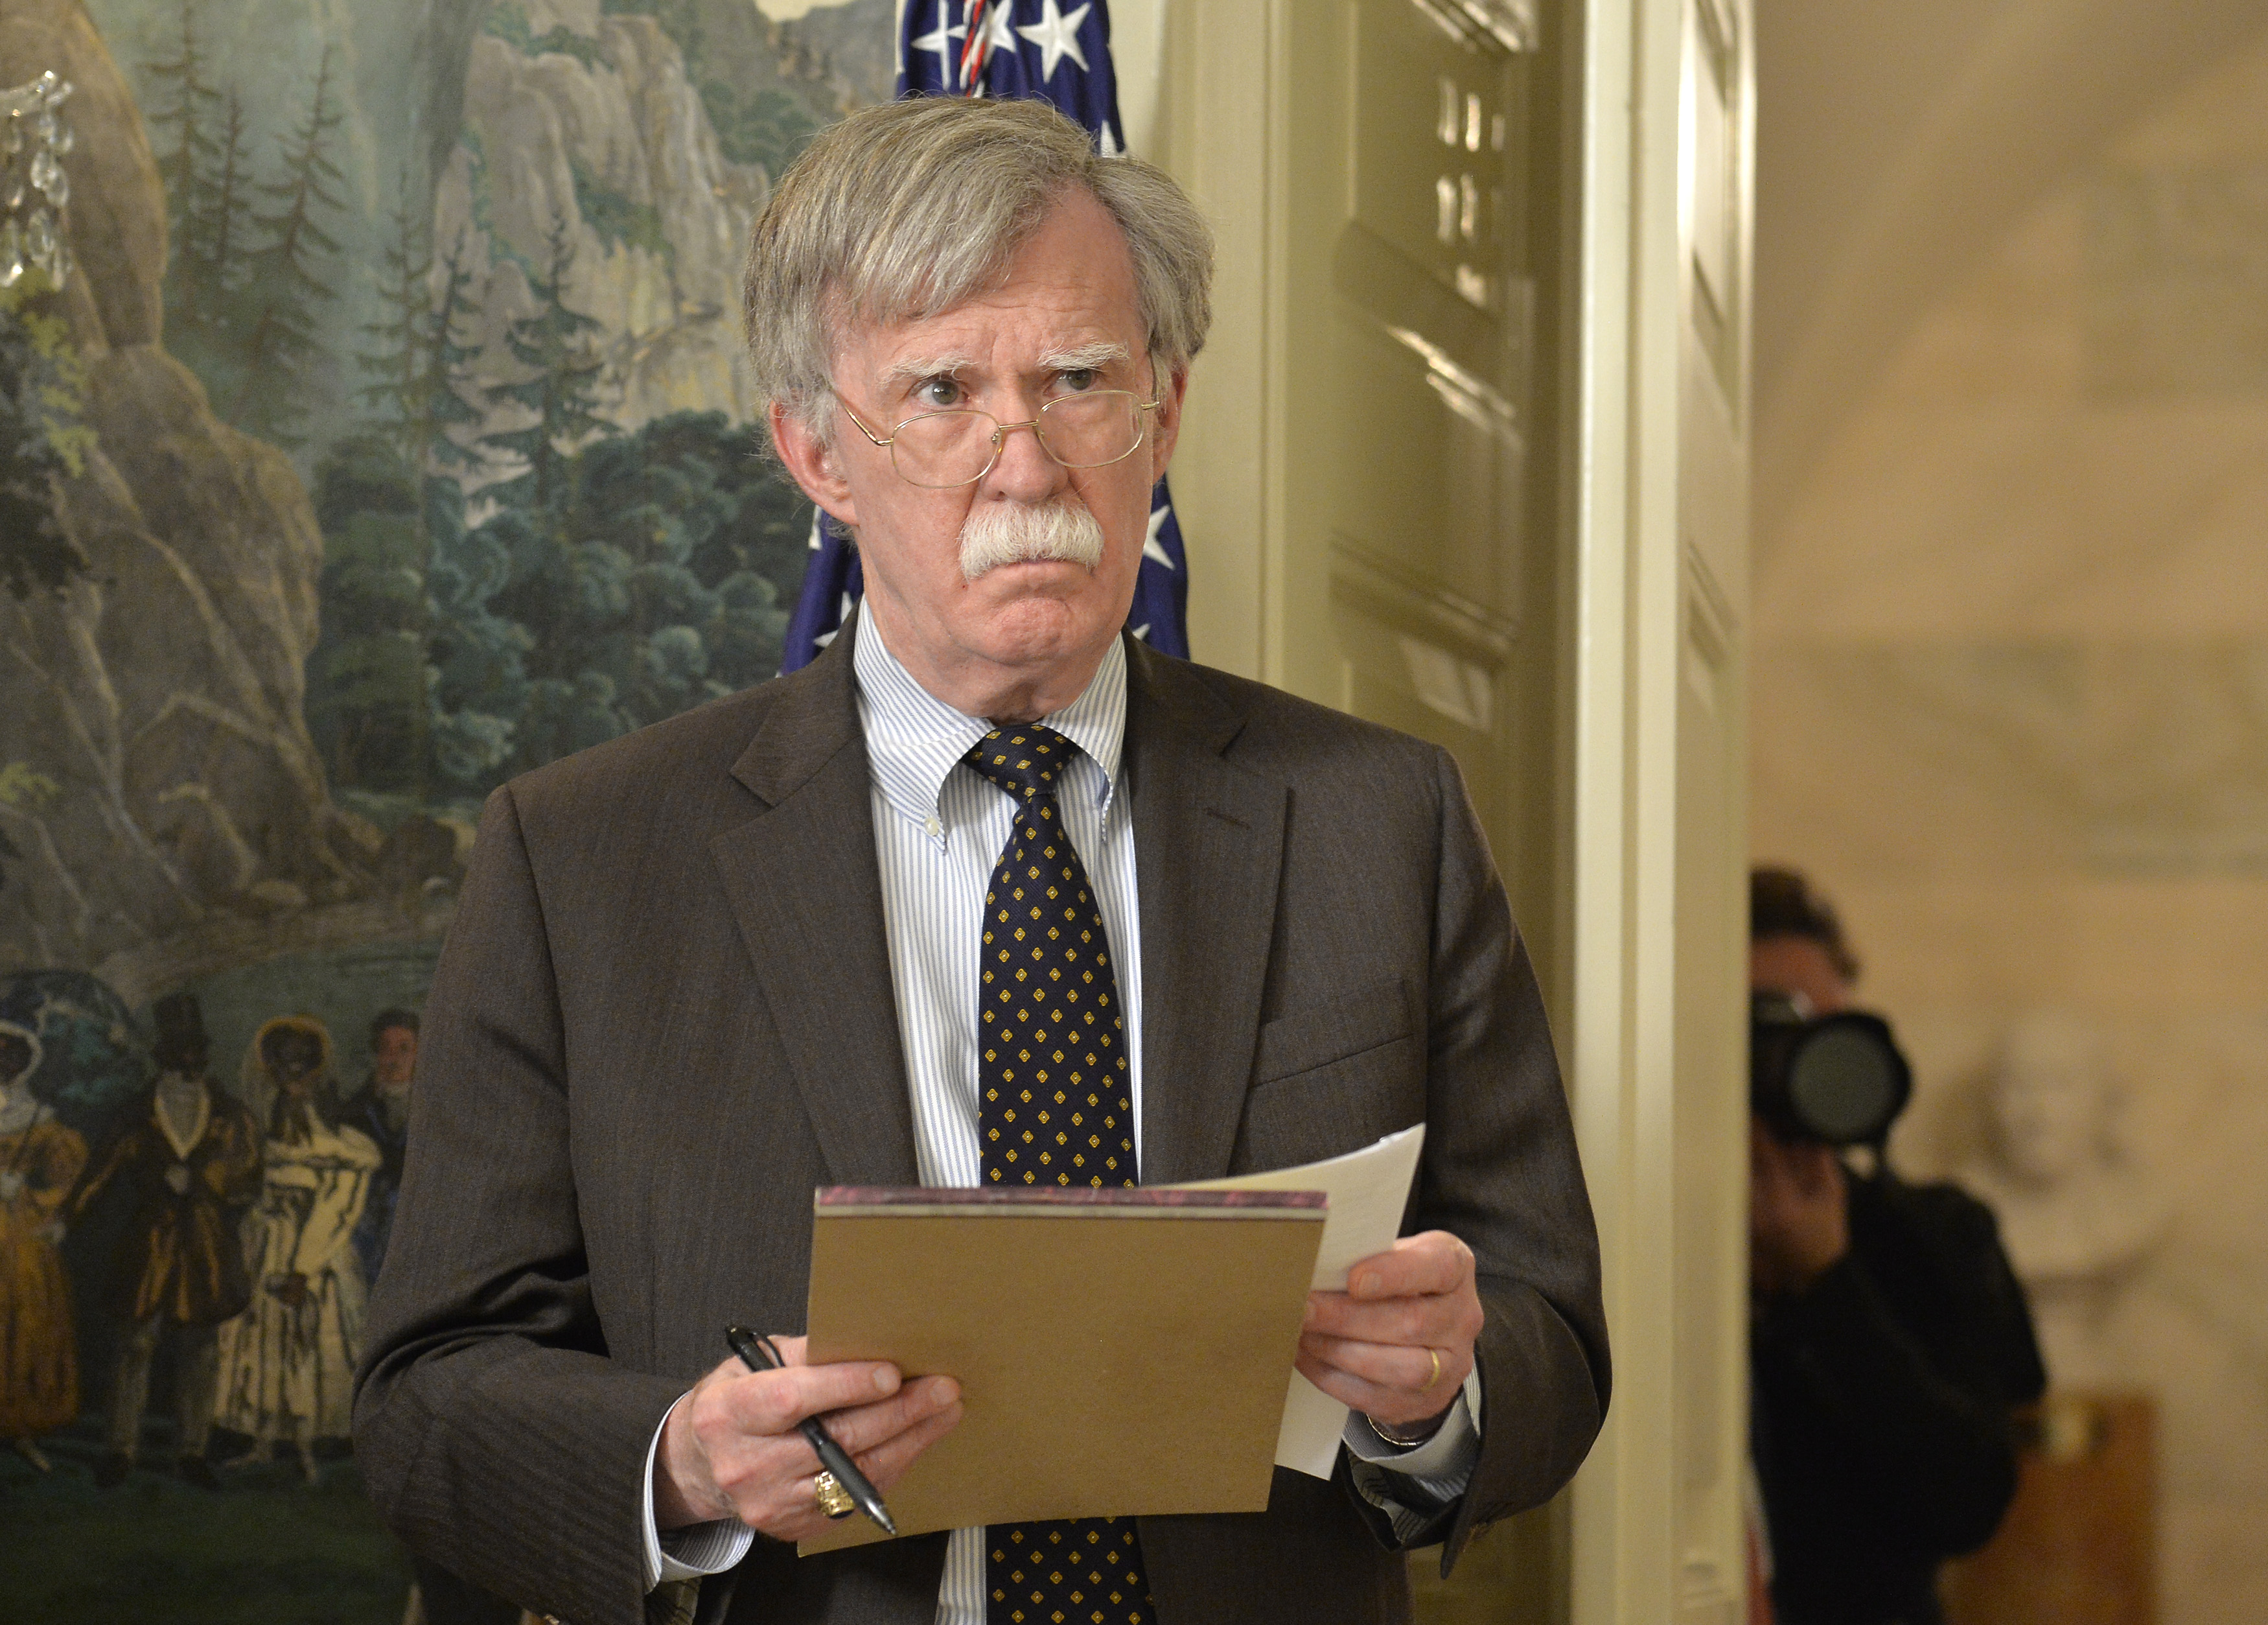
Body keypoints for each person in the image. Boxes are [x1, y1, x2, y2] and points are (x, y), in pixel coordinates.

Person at [356, 97, 1608, 1625]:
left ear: (1165, 410)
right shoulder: (584, 859)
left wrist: (1438, 1393)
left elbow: (1551, 1329)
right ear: (818, 452)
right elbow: (423, 1406)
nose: (1028, 463)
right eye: (942, 391)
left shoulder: (1377, 816)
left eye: (1080, 380)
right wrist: (680, 1464)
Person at [1746, 867, 2046, 1625]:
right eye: (1759, 1026)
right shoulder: (1632, 1237)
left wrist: (1825, 1282)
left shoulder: (1935, 1234)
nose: (1784, 1060)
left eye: (1812, 1027)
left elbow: (1968, 1503)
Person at [71, 990, 263, 1488]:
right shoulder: (135, 1113)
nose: (188, 1065)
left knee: (200, 1347)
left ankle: (192, 1450)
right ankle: (121, 1448)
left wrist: (202, 1181)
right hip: (149, 1243)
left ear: (205, 1056)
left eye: (195, 1053)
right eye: (178, 1054)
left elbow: (248, 1176)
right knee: (134, 1343)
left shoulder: (231, 1113)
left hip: (205, 1244)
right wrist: (63, 1220)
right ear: (162, 1058)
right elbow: (101, 1171)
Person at [213, 1014, 382, 1483]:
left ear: (315, 1068)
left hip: (315, 1251)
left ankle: (307, 1447)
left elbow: (339, 1208)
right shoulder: (256, 1123)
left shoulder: (341, 1137)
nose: (292, 1074)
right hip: (261, 1244)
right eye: (282, 1063)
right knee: (259, 1339)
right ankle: (262, 1440)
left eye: (301, 1064)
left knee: (307, 1341)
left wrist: (303, 1267)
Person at [0, 1017, 86, 1473]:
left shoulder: (41, 1118)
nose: (2, 1063)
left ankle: (21, 1426)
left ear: (25, 1061)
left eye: (11, 1054)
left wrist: (28, 1193)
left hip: (20, 1236)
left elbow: (64, 1179)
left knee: (25, 1320)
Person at [338, 1008, 419, 1285]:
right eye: (386, 1050)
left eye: (404, 1049)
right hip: (365, 1229)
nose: (393, 1061)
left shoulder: (437, 1109)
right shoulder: (355, 1112)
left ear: (419, 1054)